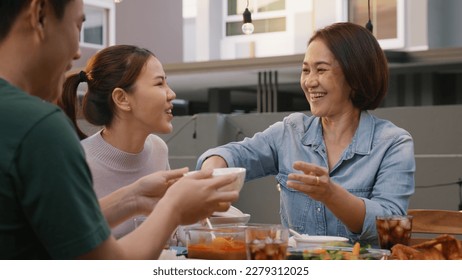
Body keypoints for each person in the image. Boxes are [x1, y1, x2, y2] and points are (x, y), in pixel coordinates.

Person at [0, 0, 238, 259]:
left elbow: (45, 235)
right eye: (77, 25)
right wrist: (174, 207)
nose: (78, 52)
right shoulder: (40, 130)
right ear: (40, 14)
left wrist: (132, 199)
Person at [197, 22, 415, 247]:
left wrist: (331, 194)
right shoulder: (290, 132)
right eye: (305, 70)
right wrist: (213, 170)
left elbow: (390, 226)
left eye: (321, 70)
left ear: (355, 77)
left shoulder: (393, 143)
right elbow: (235, 154)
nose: (309, 82)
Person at [59, 45, 176, 239]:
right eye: (159, 84)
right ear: (122, 98)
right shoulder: (77, 163)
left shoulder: (158, 149)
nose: (171, 94)